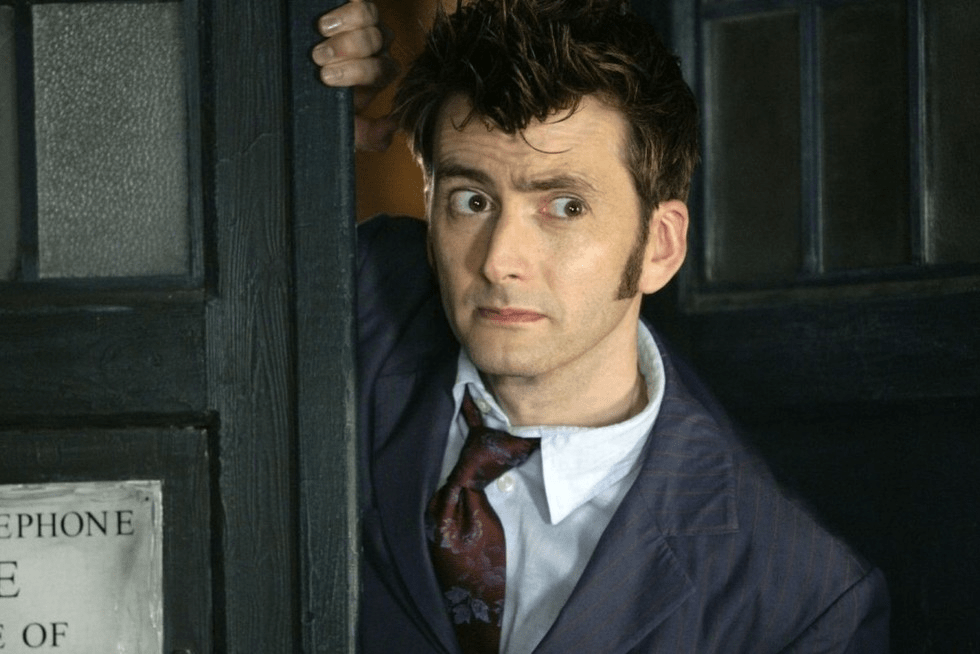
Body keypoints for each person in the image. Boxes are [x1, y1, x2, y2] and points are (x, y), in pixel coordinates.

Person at [312, 1, 890, 652]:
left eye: (565, 207)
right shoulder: (357, 293)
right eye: (472, 201)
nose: (499, 260)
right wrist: (297, 120)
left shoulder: (802, 604)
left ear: (660, 247)